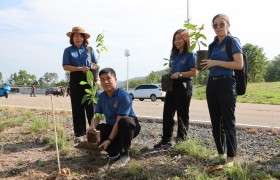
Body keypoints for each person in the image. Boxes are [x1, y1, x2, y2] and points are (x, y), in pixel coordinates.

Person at [201, 14, 244, 166]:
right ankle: (221, 153)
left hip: (227, 83)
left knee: (228, 121)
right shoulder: (212, 45)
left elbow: (239, 65)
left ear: (228, 25)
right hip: (212, 84)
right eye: (215, 25)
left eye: (221, 24)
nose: (218, 27)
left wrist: (215, 62)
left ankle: (231, 158)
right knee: (215, 121)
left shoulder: (233, 41)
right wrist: (206, 65)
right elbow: (211, 65)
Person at [87, 68, 141, 166]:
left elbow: (119, 120)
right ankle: (115, 151)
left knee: (124, 121)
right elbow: (97, 116)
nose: (105, 82)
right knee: (99, 128)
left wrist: (109, 139)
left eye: (108, 78)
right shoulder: (101, 96)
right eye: (102, 79)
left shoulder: (123, 95)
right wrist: (91, 128)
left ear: (115, 79)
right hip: (113, 127)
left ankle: (125, 154)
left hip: (129, 127)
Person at [154, 29, 198, 149]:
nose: (177, 41)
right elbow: (171, 70)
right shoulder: (173, 55)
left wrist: (179, 74)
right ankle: (166, 140)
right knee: (167, 113)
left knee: (182, 114)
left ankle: (181, 141)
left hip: (184, 85)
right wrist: (167, 77)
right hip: (172, 86)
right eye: (175, 39)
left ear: (186, 39)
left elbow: (194, 72)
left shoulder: (191, 54)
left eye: (180, 38)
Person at [62, 26, 98, 142]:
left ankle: (94, 132)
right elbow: (65, 66)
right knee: (77, 107)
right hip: (75, 79)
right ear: (72, 38)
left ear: (84, 38)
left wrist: (95, 78)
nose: (78, 38)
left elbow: (96, 64)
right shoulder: (68, 50)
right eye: (76, 36)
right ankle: (79, 135)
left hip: (89, 78)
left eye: (80, 36)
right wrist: (80, 68)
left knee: (91, 106)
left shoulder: (89, 50)